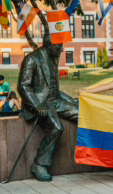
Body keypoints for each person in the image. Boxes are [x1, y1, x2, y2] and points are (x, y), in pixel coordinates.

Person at [17, 34, 79, 182]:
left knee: (82, 114)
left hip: (54, 100)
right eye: (59, 46)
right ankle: (39, 164)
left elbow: (54, 89)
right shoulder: (31, 59)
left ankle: (90, 153)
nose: (62, 49)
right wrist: (36, 105)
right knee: (57, 127)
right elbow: (23, 86)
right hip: (39, 103)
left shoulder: (52, 60)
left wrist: (72, 101)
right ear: (49, 44)